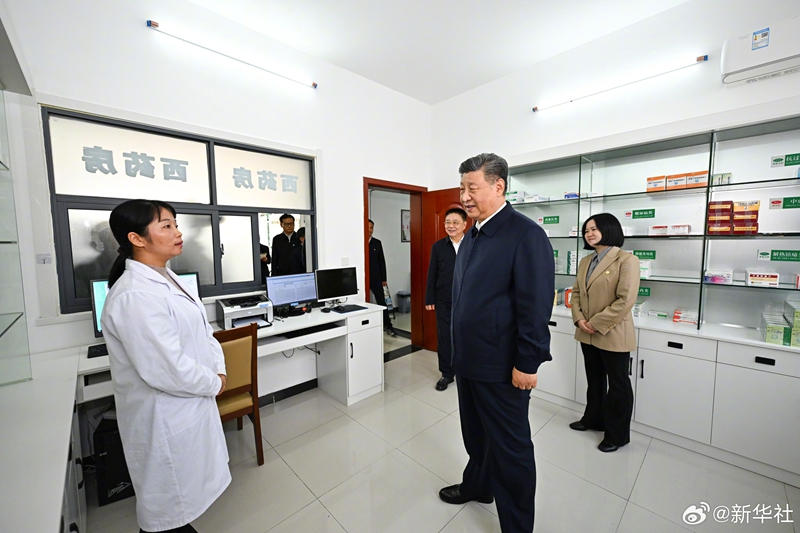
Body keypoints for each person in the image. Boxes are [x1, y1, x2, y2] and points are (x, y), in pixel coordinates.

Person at [100, 199, 231, 533]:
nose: (177, 232)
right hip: (166, 417)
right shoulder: (134, 295)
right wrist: (214, 382)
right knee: (167, 508)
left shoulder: (169, 278)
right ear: (137, 238)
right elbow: (167, 368)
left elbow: (204, 331)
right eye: (167, 226)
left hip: (190, 404)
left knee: (178, 507)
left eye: (175, 224)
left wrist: (219, 371)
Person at [439, 153, 553, 533]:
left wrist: (528, 363)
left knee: (510, 450)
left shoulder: (525, 235)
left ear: (498, 186)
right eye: (462, 188)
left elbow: (535, 306)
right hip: (468, 361)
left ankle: (517, 526)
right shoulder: (473, 234)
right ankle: (478, 486)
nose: (464, 196)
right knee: (476, 437)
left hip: (502, 367)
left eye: (471, 188)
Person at [569, 213, 640, 453]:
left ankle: (617, 435)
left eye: (594, 229)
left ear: (609, 229)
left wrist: (595, 323)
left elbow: (625, 300)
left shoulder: (626, 260)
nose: (589, 233)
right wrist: (579, 319)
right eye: (586, 230)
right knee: (594, 379)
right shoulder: (586, 261)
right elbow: (576, 293)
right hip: (586, 331)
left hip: (612, 332)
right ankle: (593, 419)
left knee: (618, 385)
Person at [425, 207, 468, 391]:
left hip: (468, 301)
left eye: (455, 222)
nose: (451, 226)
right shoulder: (438, 247)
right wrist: (430, 298)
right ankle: (447, 373)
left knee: (467, 335)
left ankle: (467, 370)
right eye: (448, 222)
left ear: (464, 224)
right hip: (444, 299)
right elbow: (432, 274)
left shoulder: (474, 244)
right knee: (445, 337)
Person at [368, 219, 396, 336]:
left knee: (381, 301)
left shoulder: (377, 243)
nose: (370, 230)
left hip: (376, 277)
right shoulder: (360, 242)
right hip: (364, 278)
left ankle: (388, 325)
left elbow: (381, 262)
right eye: (367, 227)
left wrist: (384, 279)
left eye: (371, 227)